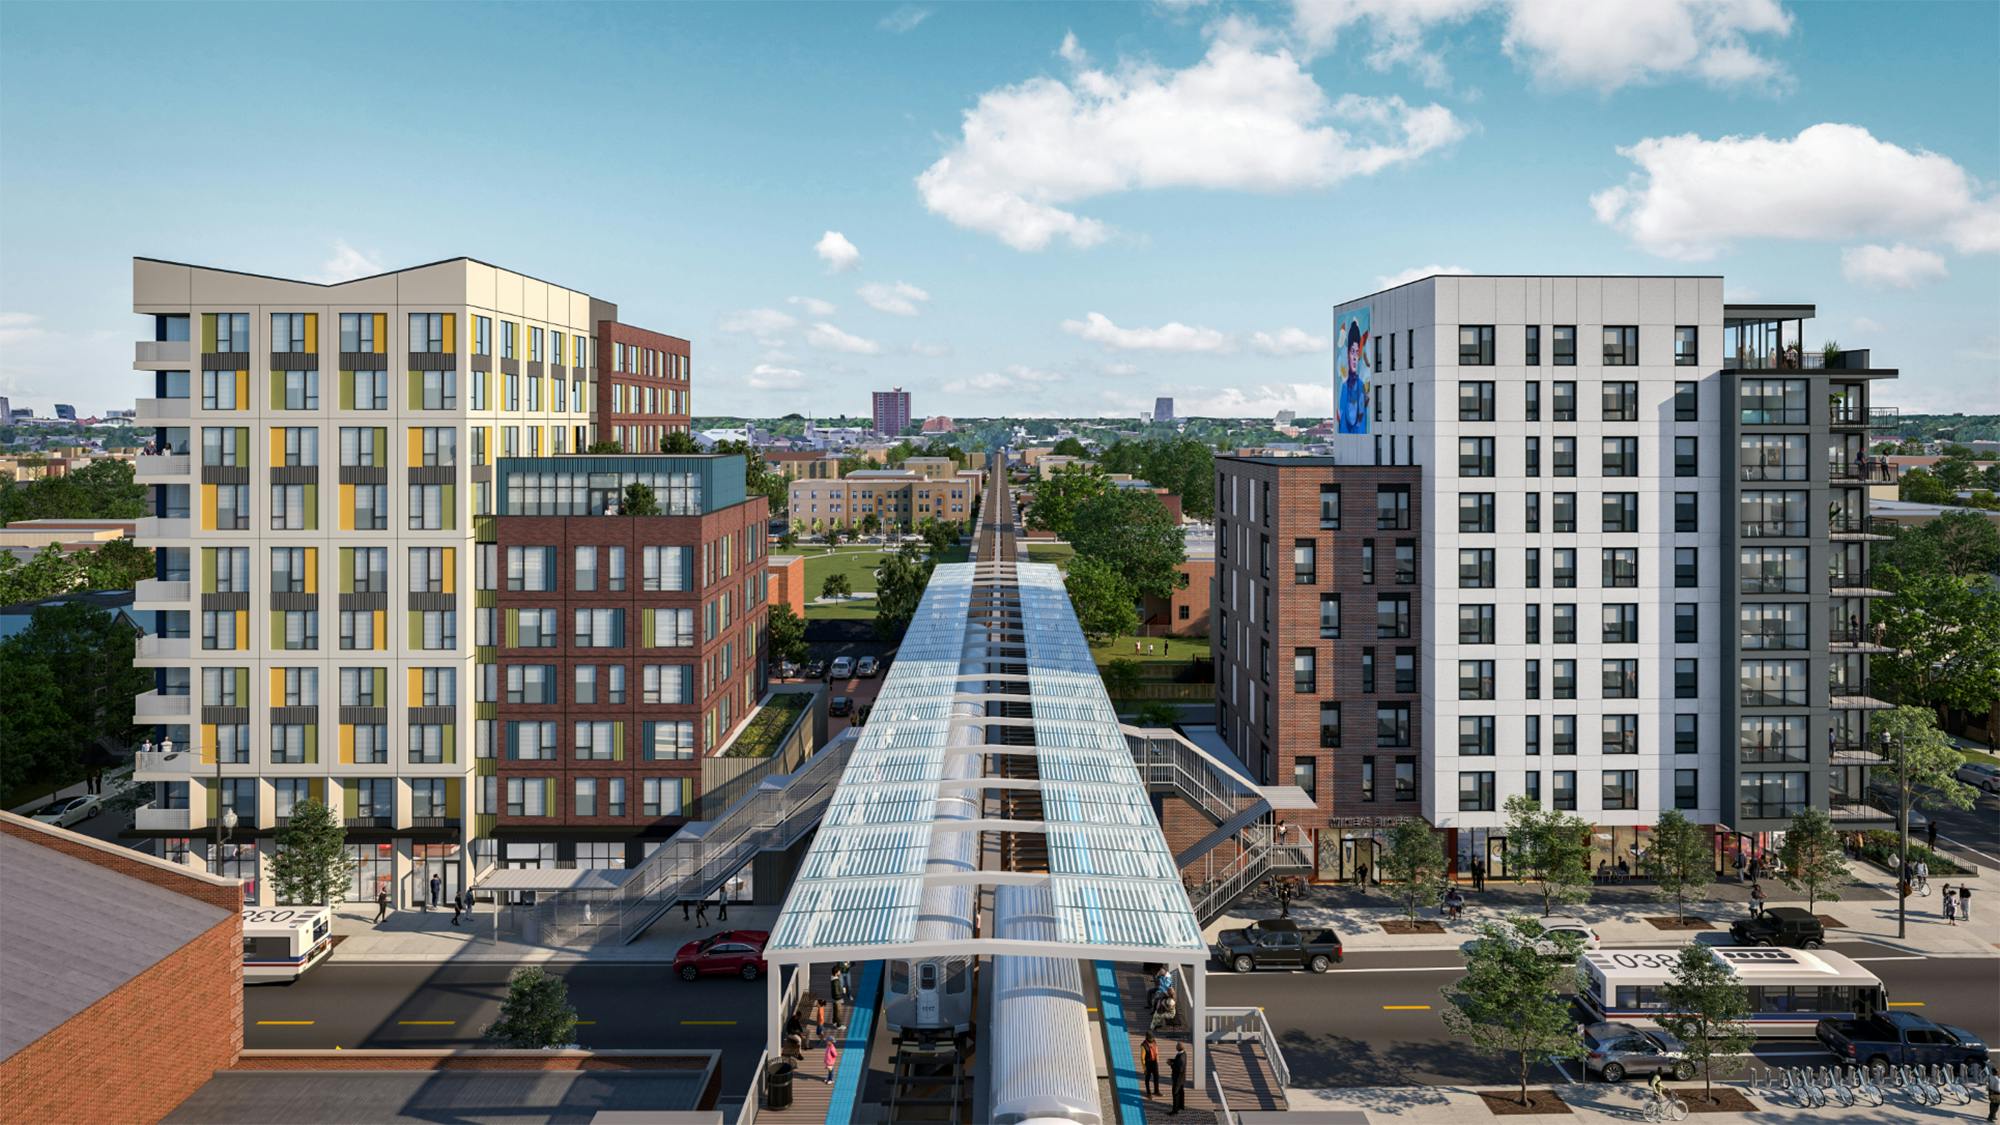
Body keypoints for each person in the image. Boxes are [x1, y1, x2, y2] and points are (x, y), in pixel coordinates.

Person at [1169, 1043, 1187, 1115]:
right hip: (1182, 1078)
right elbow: (1178, 1062)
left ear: (1178, 1048)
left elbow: (1179, 1069)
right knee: (1181, 1092)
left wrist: (1171, 1065)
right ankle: (1181, 1106)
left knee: (1175, 1093)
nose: (1175, 1047)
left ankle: (1175, 1110)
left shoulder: (1181, 1058)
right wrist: (1172, 1060)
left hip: (1178, 1079)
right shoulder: (1184, 1054)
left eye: (1176, 1046)